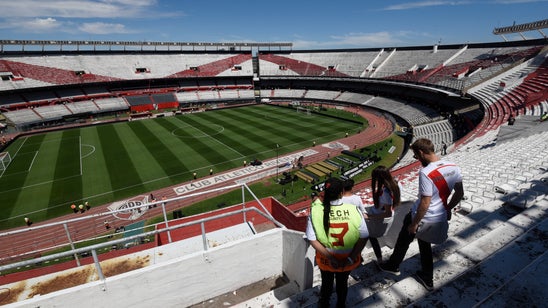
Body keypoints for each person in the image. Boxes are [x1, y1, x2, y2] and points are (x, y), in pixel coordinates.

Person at [379, 138, 463, 291]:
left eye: (416, 156)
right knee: (424, 245)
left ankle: (393, 265)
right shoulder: (454, 166)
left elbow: (425, 202)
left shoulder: (426, 172)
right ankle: (427, 278)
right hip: (439, 217)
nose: (416, 159)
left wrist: (414, 224)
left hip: (422, 217)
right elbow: (459, 192)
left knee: (404, 240)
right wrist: (448, 208)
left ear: (421, 152)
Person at [306, 177, 369, 308]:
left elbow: (312, 239)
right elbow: (364, 236)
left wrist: (331, 258)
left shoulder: (316, 211)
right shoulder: (354, 210)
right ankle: (341, 305)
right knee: (342, 284)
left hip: (326, 260)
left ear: (325, 192)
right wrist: (351, 258)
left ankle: (324, 303)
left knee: (326, 284)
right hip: (347, 260)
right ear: (342, 192)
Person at [365, 166, 401, 264]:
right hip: (379, 215)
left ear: (378, 178)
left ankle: (380, 260)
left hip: (378, 218)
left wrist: (370, 217)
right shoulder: (394, 184)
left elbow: (387, 213)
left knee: (370, 236)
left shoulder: (385, 192)